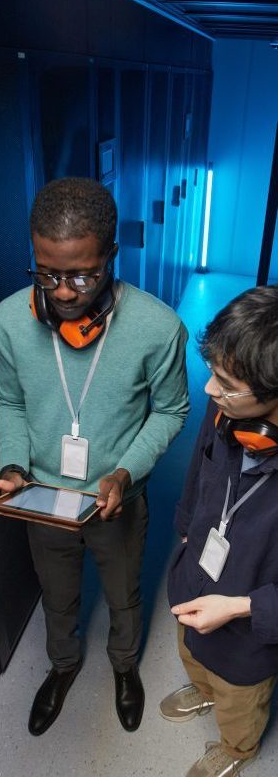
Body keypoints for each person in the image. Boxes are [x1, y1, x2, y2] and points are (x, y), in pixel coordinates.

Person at [0, 177, 189, 736]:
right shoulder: (9, 319)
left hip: (115, 497)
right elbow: (9, 400)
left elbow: (172, 411)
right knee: (57, 596)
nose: (64, 292)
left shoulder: (158, 326)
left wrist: (125, 472)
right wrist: (13, 464)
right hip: (42, 496)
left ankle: (124, 669)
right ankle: (62, 667)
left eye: (82, 273)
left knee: (124, 595)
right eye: (47, 272)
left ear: (112, 256)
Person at [161, 285, 278, 777]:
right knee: (191, 650)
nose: (209, 389)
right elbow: (198, 469)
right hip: (195, 580)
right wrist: (187, 532)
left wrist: (240, 607)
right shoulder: (225, 411)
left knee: (239, 697)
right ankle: (204, 689)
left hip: (250, 622)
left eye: (226, 382)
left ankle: (236, 747)